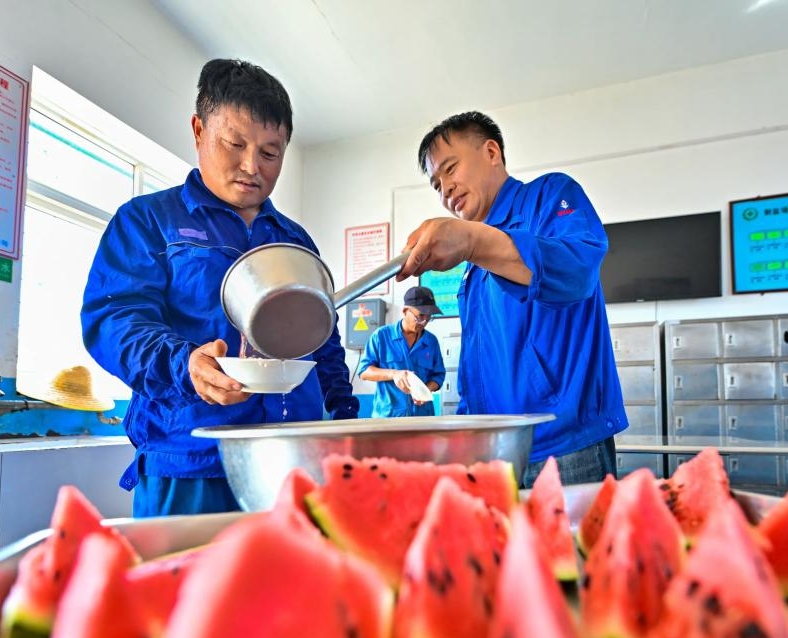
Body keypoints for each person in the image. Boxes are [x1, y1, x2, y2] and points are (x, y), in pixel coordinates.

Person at [81, 59, 358, 517]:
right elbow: (114, 320)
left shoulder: (294, 240)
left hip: (293, 463)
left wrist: (346, 423)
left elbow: (322, 341)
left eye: (271, 153)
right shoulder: (149, 221)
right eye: (235, 143)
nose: (252, 166)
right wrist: (183, 364)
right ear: (198, 130)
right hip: (189, 463)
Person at [397, 111, 627, 487]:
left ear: (491, 152)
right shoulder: (471, 272)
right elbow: (476, 369)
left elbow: (577, 271)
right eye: (437, 185)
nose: (446, 190)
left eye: (451, 169)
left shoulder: (550, 197)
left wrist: (472, 240)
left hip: (565, 446)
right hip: (495, 454)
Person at [358, 286, 446, 417]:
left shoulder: (431, 341)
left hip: (423, 418)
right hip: (389, 418)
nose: (424, 323)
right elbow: (364, 371)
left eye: (428, 318)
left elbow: (438, 375)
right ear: (405, 311)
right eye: (420, 316)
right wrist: (393, 374)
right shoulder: (381, 336)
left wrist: (426, 390)